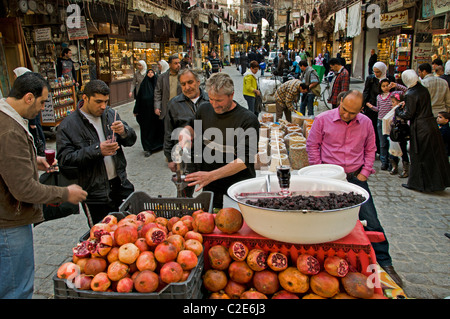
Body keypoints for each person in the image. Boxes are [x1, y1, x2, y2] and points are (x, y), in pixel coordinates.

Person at [0, 72, 87, 299]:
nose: (42, 109)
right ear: (28, 97)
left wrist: (33, 161)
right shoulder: (9, 129)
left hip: (7, 218)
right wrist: (65, 193)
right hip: (8, 221)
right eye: (41, 102)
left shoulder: (6, 118)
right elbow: (24, 189)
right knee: (16, 288)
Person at [306, 90, 402, 287]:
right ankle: (329, 263)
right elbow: (312, 145)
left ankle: (385, 263)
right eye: (344, 110)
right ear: (340, 101)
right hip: (329, 179)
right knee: (327, 221)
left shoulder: (366, 122)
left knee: (371, 220)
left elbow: (370, 148)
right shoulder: (323, 119)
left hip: (356, 178)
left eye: (352, 113)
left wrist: (364, 173)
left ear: (360, 110)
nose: (347, 115)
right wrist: (319, 172)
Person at [56, 80, 137, 225]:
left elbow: (131, 141)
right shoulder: (68, 125)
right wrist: (97, 151)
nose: (103, 106)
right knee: (101, 233)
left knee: (128, 227)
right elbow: (65, 160)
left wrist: (124, 132)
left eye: (106, 101)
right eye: (98, 101)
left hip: (120, 184)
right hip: (94, 192)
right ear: (85, 98)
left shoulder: (110, 114)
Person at [178, 73, 260, 208]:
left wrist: (211, 176)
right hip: (211, 186)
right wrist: (186, 132)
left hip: (237, 188)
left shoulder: (248, 120)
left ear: (231, 95)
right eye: (211, 99)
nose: (214, 105)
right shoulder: (204, 108)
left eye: (219, 100)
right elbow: (193, 126)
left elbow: (244, 160)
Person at [395, 70, 450, 192]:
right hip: (430, 124)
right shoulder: (423, 89)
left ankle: (418, 184)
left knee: (418, 155)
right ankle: (434, 183)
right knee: (431, 155)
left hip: (420, 128)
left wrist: (398, 110)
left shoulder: (411, 93)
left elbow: (409, 114)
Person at [164, 68, 209, 173]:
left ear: (198, 82)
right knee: (185, 187)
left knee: (209, 188)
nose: (187, 87)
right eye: (183, 84)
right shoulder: (173, 104)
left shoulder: (210, 100)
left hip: (209, 156)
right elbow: (168, 132)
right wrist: (170, 158)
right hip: (185, 158)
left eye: (190, 82)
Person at [366, 79, 407, 171]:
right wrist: (371, 107)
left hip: (391, 122)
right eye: (383, 86)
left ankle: (392, 162)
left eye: (387, 85)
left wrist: (396, 84)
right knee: (382, 143)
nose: (385, 87)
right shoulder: (379, 97)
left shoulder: (393, 95)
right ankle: (384, 162)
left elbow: (406, 90)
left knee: (391, 142)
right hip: (381, 121)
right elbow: (378, 109)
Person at [363, 61, 395, 155]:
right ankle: (375, 148)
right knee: (373, 129)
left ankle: (384, 151)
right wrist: (364, 103)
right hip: (372, 107)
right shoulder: (371, 78)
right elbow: (366, 91)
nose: (376, 74)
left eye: (378, 72)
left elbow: (394, 93)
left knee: (385, 131)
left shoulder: (390, 79)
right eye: (374, 72)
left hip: (386, 108)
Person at [13, 67, 46, 156]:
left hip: (32, 117)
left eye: (15, 75)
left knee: (36, 134)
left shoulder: (29, 88)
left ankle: (40, 151)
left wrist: (32, 121)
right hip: (30, 117)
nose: (14, 77)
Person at [133, 69, 163, 157]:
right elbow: (138, 99)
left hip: (156, 113)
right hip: (145, 113)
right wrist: (136, 110)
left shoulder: (157, 85)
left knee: (157, 129)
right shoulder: (143, 85)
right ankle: (148, 148)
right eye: (149, 72)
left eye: (152, 72)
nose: (150, 74)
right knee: (146, 130)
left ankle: (158, 146)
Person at [154, 54, 182, 121]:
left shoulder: (183, 76)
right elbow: (157, 93)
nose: (178, 65)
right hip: (167, 109)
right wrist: (157, 107)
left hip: (180, 109)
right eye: (175, 63)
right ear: (169, 64)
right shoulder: (162, 77)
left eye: (179, 63)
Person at [389, 93, 410, 178]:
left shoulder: (401, 109)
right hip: (394, 132)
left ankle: (405, 169)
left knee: (403, 150)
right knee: (393, 150)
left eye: (393, 102)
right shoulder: (395, 109)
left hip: (401, 132)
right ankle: (394, 166)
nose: (392, 104)